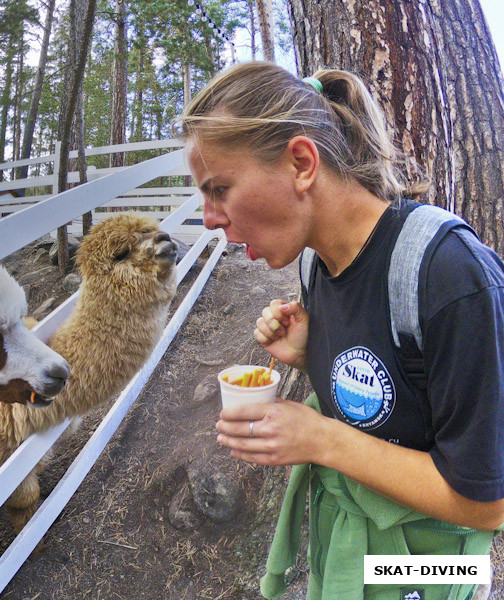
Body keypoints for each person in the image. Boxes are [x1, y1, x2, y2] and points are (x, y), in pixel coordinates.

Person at [177, 61, 504, 600]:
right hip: (352, 548)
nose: (210, 218)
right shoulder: (315, 266)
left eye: (219, 189)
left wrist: (321, 439)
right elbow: (392, 401)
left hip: (435, 570)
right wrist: (314, 357)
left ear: (301, 162)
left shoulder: (452, 277)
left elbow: (486, 502)